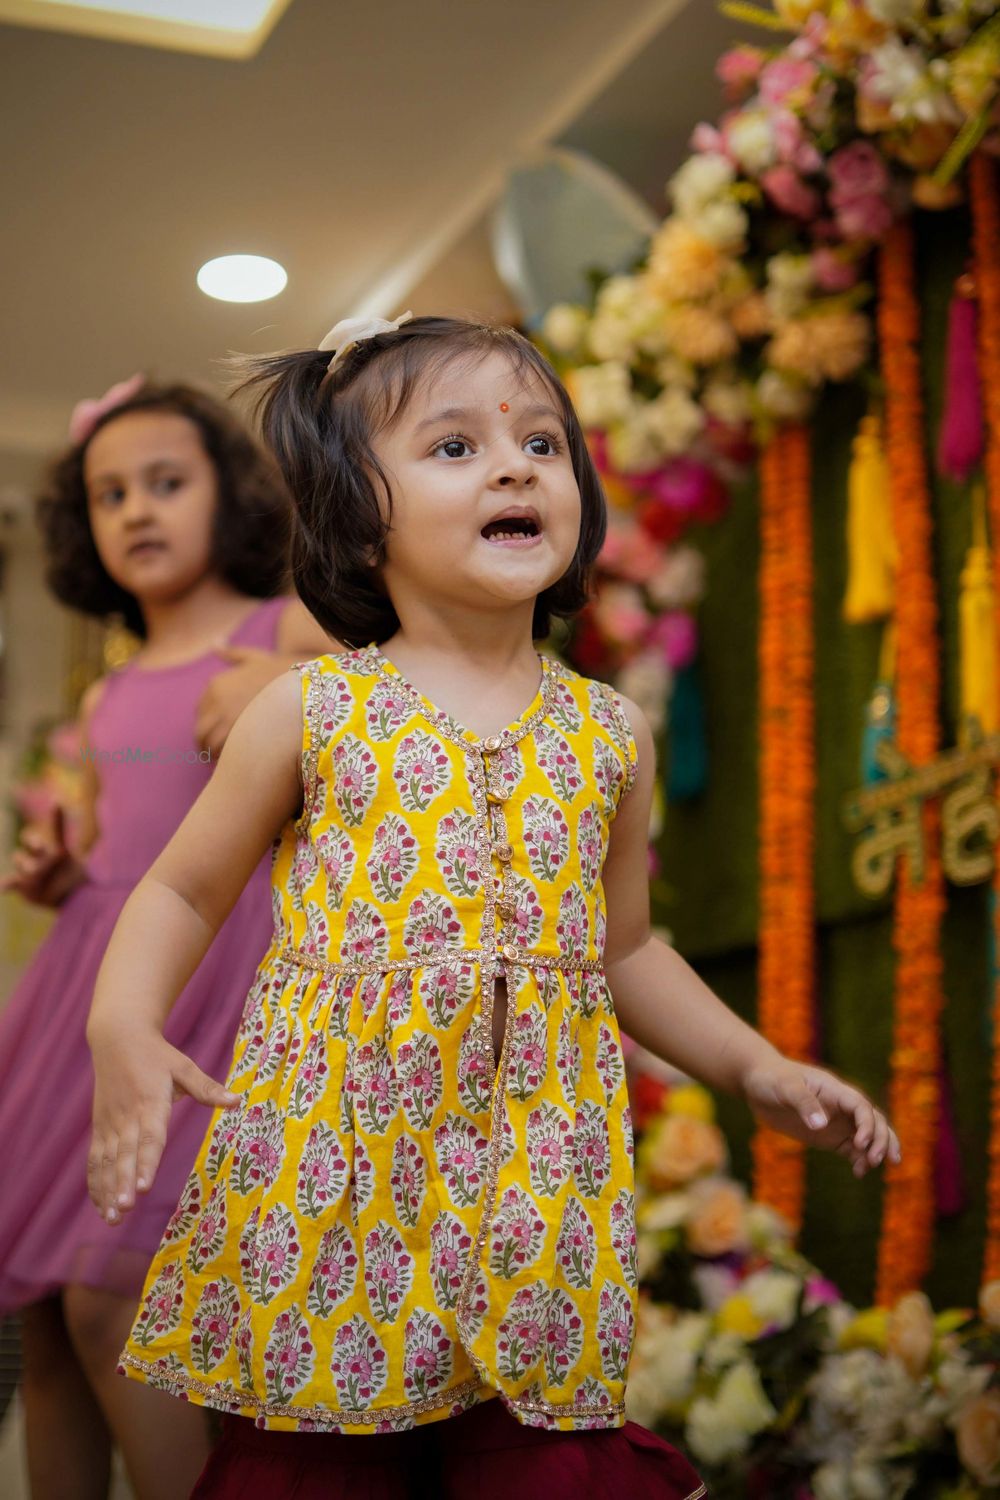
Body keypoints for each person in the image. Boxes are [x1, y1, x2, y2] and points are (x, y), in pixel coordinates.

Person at [87, 317, 899, 1499]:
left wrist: (756, 1066)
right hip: (339, 1180)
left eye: (540, 443)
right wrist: (124, 1022)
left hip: (537, 1184)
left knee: (537, 1465)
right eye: (455, 448)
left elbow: (623, 949)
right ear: (361, 521)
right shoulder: (308, 710)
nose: (516, 465)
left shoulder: (607, 736)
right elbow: (178, 885)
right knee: (317, 1471)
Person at [0, 376, 334, 1500]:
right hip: (89, 997)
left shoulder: (277, 629)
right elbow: (109, 851)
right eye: (109, 495)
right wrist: (57, 874)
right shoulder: (100, 701)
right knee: (47, 1324)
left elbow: (391, 697)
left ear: (227, 495)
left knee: (114, 1302)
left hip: (214, 984)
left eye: (165, 484)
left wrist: (293, 678)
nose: (137, 510)